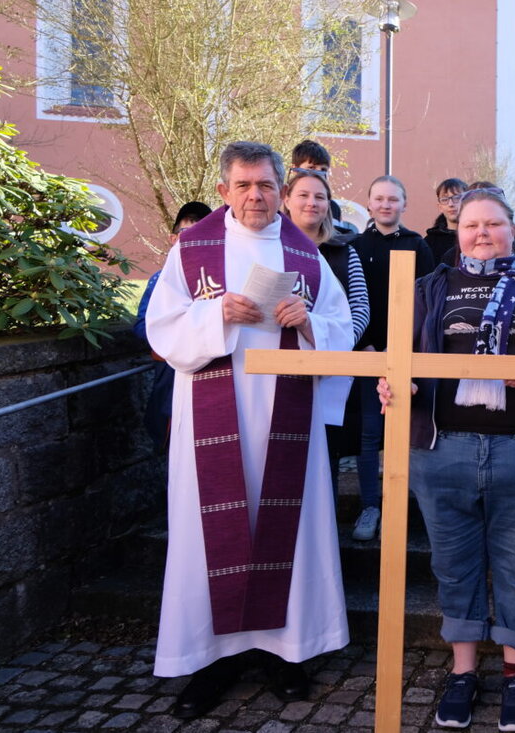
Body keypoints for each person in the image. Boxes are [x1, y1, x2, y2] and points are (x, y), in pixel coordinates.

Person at [146, 141, 354, 717]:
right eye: (243, 185)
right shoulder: (192, 249)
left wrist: (309, 322)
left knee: (287, 526)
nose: (255, 195)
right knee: (207, 535)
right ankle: (212, 661)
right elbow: (161, 329)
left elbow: (343, 328)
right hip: (213, 419)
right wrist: (216, 315)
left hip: (287, 423)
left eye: (265, 185)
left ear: (281, 189)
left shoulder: (306, 253)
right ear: (223, 191)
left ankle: (284, 652)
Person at [378, 188, 515, 730]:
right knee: (453, 565)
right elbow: (397, 356)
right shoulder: (429, 288)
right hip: (441, 449)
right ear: (457, 229)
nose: (481, 234)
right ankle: (465, 671)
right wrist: (391, 384)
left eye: (493, 225)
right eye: (471, 225)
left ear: (512, 230)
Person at [347, 175, 434, 541]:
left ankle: (414, 511)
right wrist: (366, 345)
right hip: (368, 353)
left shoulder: (418, 246)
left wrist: (407, 346)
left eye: (393, 199)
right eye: (379, 199)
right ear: (369, 204)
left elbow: (429, 302)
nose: (386, 205)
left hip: (409, 353)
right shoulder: (354, 245)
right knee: (370, 435)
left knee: (412, 434)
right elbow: (349, 299)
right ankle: (370, 507)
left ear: (404, 204)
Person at [282, 168, 371, 481]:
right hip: (280, 370)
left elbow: (360, 308)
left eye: (320, 197)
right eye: (303, 195)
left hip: (331, 370)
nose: (312, 203)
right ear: (286, 199)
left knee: (324, 466)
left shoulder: (344, 252)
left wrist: (333, 341)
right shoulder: (271, 248)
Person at [134, 201, 213, 451]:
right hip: (171, 380)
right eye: (185, 234)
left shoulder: (222, 279)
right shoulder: (160, 280)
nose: (191, 242)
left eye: (200, 234)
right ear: (172, 238)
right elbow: (142, 326)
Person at [425, 177, 468, 264]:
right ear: (440, 207)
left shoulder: (477, 236)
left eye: (456, 198)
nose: (450, 204)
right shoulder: (429, 242)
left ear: (467, 201)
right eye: (445, 199)